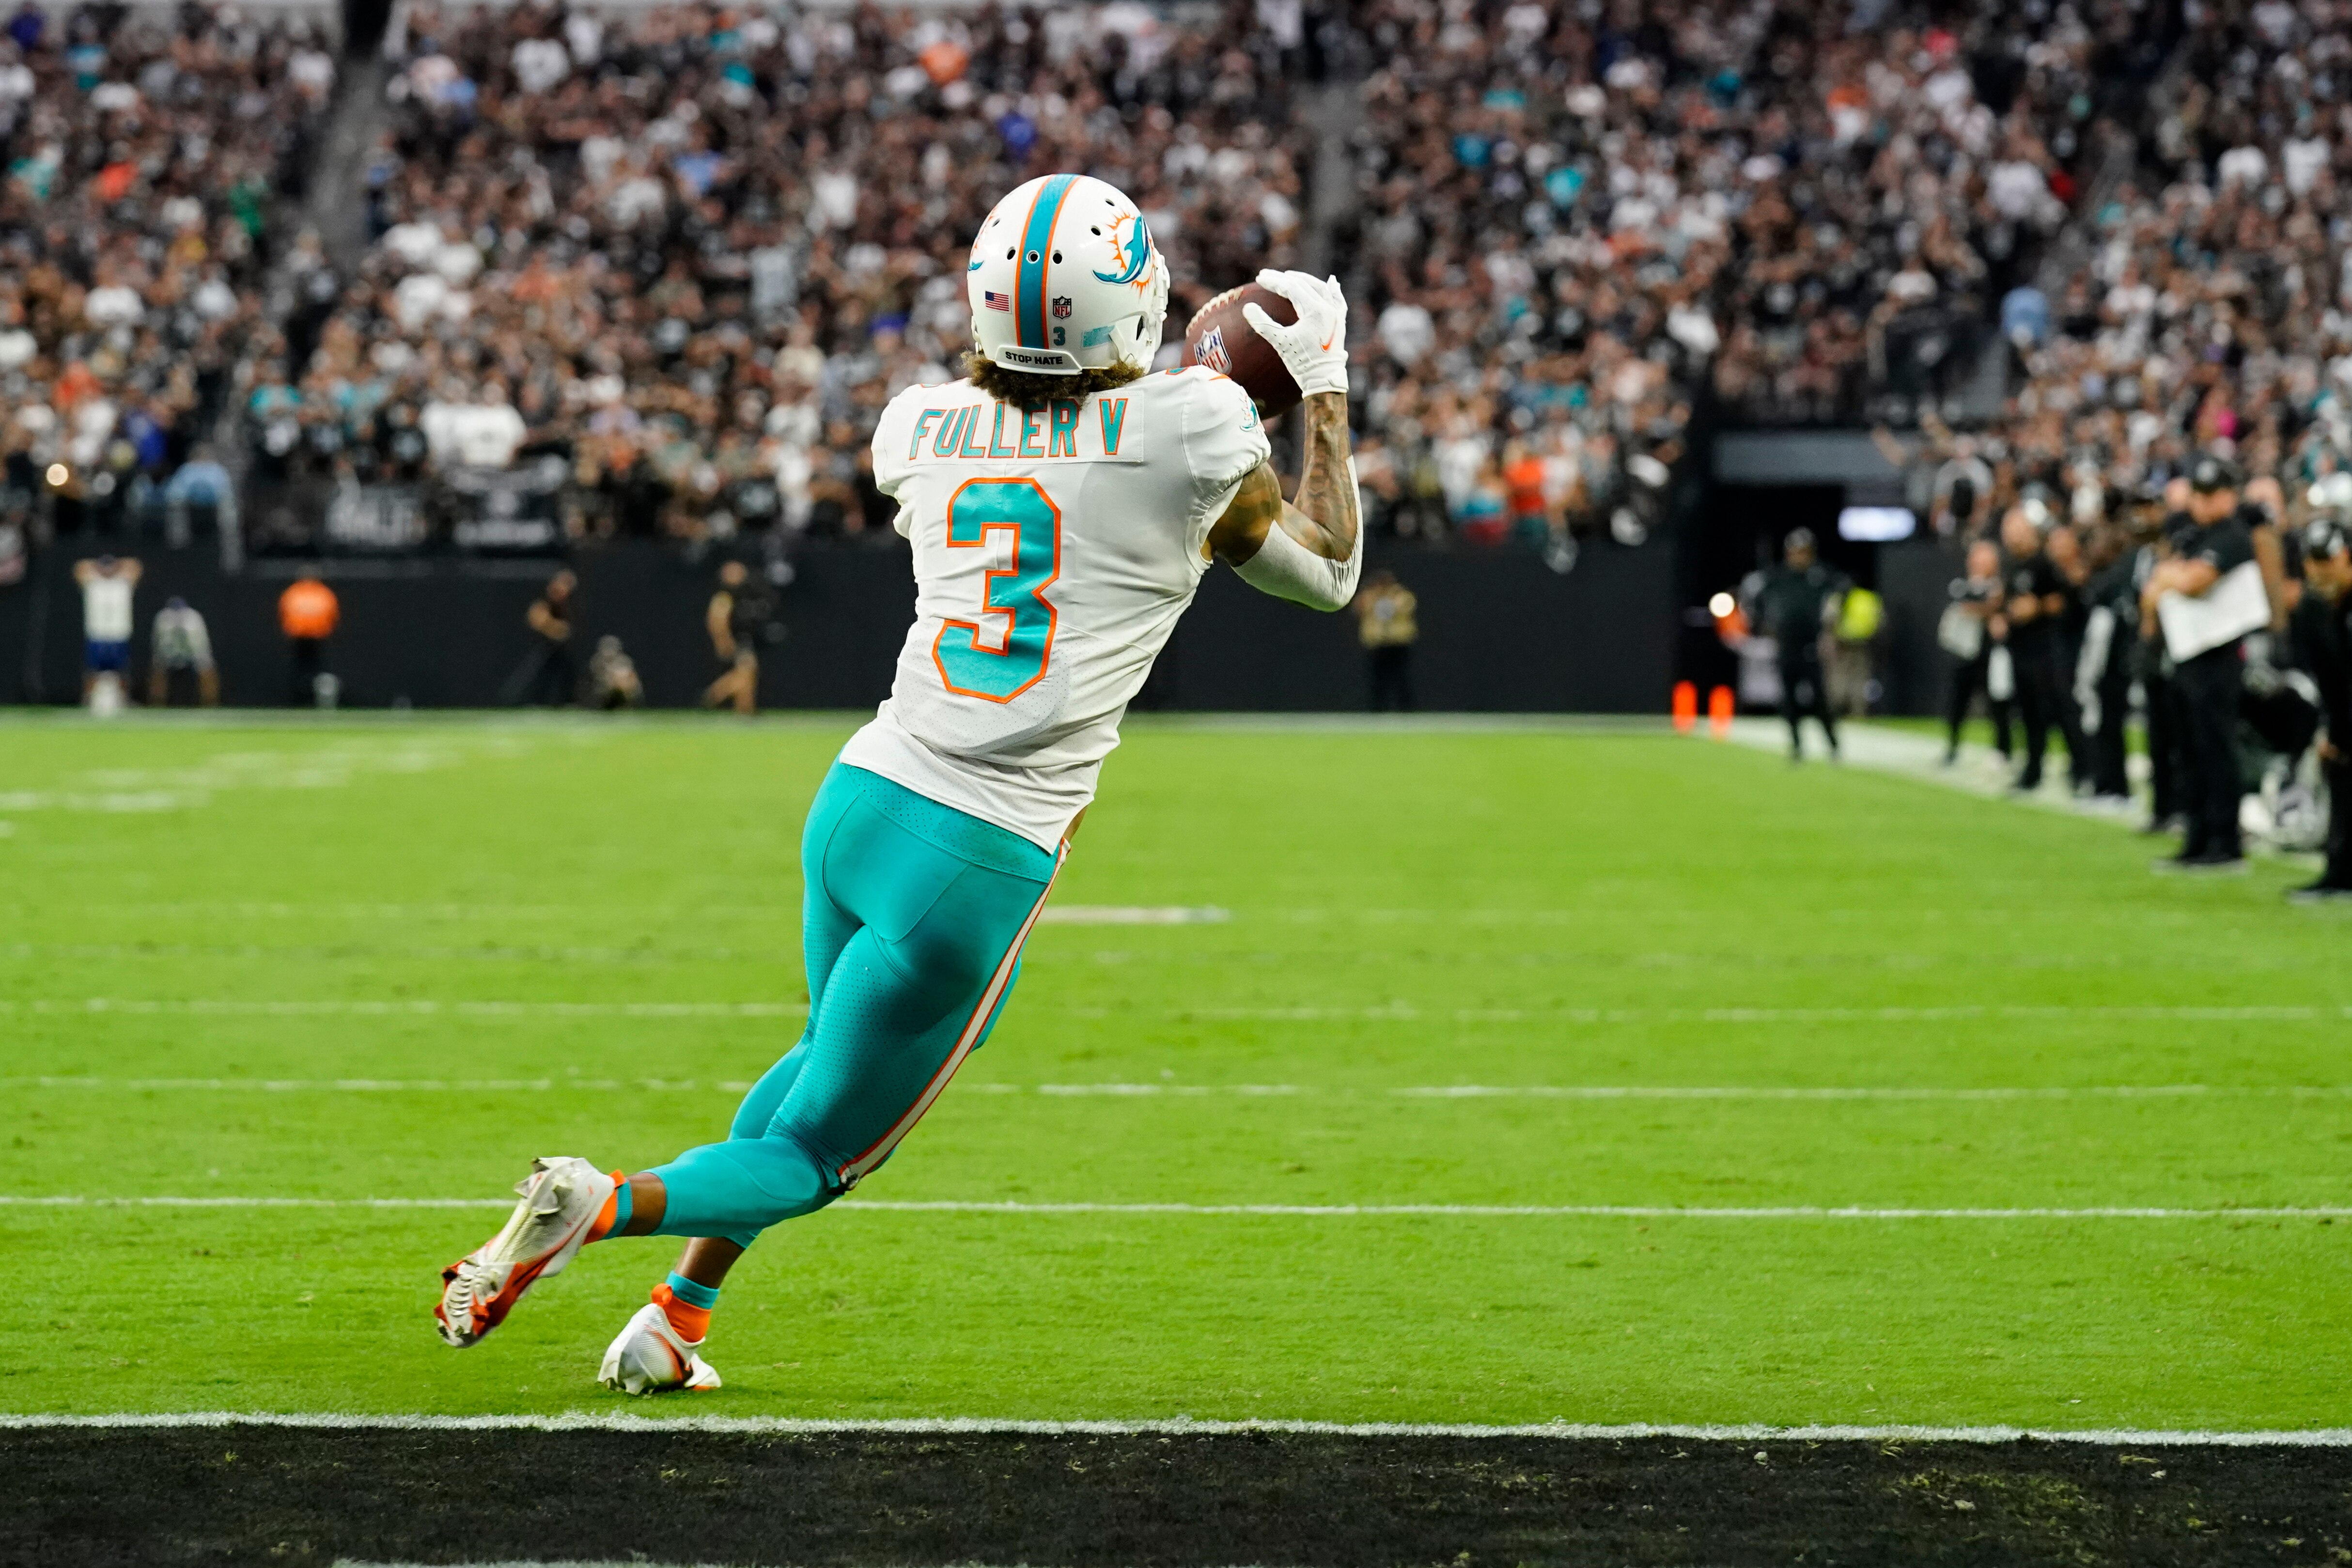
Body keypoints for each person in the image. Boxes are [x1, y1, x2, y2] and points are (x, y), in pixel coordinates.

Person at [433, 177, 1362, 1397]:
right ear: (1127, 304)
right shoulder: (1195, 429)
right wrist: (1325, 386)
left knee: (826, 1056)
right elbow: (1328, 572)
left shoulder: (916, 423)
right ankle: (598, 1202)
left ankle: (678, 1315)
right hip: (976, 859)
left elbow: (1061, 452)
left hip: (863, 800)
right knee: (821, 1151)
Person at [2143, 457, 2263, 869]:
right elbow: (2162, 578)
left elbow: (2192, 581)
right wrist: (2174, 575)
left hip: (2218, 654)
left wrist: (2174, 576)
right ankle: (2196, 838)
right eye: (2200, 493)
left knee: (2216, 747)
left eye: (2213, 493)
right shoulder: (2195, 535)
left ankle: (2224, 841)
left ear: (2229, 495)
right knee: (2189, 747)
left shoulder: (2232, 535)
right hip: (2189, 654)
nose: (2204, 502)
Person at [2286, 516, 2352, 900]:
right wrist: (2334, 729)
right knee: (2340, 776)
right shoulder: (2314, 611)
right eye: (2311, 562)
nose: (2317, 571)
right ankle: (2340, 871)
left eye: (2326, 561)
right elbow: (2330, 679)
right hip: (2342, 712)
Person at [1752, 528, 1847, 761]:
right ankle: (1796, 745)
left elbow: (1842, 590)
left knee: (1818, 697)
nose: (1799, 557)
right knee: (1788, 698)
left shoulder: (1821, 575)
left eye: (1803, 552)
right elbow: (1757, 599)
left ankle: (1832, 743)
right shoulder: (1778, 576)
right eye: (1795, 552)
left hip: (1811, 644)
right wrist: (1765, 624)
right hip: (1786, 644)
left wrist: (1831, 623)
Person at [1994, 505, 2069, 793]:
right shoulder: (2013, 565)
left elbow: (2063, 601)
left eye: (2017, 532)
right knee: (2027, 714)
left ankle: (2082, 768)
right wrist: (2003, 615)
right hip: (2020, 648)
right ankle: (2032, 771)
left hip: (2046, 649)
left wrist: (2035, 608)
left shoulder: (2044, 563)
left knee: (2058, 710)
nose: (2012, 539)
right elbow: (2008, 604)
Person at [1939, 538, 2009, 765]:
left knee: (1998, 704)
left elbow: (1997, 606)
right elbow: (1969, 604)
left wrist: (1990, 608)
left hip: (1991, 654)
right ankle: (1952, 747)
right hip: (1965, 653)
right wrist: (1990, 610)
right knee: (1957, 704)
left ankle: (2002, 750)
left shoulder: (2001, 584)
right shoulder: (1962, 585)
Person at [701, 559, 772, 716]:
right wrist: (724, 642)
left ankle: (744, 709)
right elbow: (717, 623)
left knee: (747, 673)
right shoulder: (723, 598)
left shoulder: (740, 596)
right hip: (734, 642)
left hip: (742, 640)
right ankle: (715, 697)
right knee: (746, 672)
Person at [501, 569, 577, 706]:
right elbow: (537, 620)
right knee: (538, 677)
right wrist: (556, 629)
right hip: (545, 648)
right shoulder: (544, 604)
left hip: (559, 650)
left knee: (567, 674)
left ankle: (566, 702)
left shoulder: (567, 606)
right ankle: (525, 701)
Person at [72, 555, 139, 704]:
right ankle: (87, 700)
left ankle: (124, 700)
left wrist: (117, 567)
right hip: (97, 635)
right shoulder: (93, 582)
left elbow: (135, 566)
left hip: (119, 634)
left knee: (122, 672)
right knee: (92, 672)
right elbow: (80, 567)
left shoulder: (123, 582)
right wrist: (98, 568)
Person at [1352, 568, 1418, 711]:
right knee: (1377, 680)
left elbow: (1405, 607)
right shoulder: (1370, 596)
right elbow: (1358, 607)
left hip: (1397, 643)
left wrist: (1389, 596)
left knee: (1401, 679)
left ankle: (1407, 711)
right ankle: (1377, 711)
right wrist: (1371, 592)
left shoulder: (1401, 596)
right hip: (1377, 644)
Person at [278, 572, 340, 708]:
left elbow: (331, 614)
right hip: (301, 638)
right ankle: (301, 700)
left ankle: (315, 701)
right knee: (302, 672)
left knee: (313, 672)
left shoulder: (315, 593)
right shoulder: (300, 593)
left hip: (315, 639)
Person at [148, 596, 218, 707]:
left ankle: (210, 703)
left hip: (192, 651)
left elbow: (200, 645)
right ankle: (157, 703)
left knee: (207, 669)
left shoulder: (192, 617)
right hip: (170, 652)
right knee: (158, 670)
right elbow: (159, 644)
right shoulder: (164, 618)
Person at [586, 635, 643, 711]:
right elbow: (598, 681)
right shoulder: (598, 662)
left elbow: (632, 680)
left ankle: (628, 707)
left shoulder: (624, 661)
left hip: (624, 693)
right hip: (604, 693)